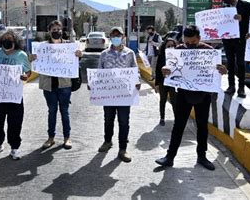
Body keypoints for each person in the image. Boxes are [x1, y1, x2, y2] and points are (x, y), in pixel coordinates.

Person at [155, 25, 227, 170]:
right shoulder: (179, 51)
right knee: (178, 126)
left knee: (202, 126)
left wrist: (223, 70)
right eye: (187, 42)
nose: (190, 45)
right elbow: (168, 70)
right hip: (183, 94)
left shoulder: (209, 52)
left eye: (193, 42)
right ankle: (170, 157)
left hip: (203, 95)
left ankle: (202, 156)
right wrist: (165, 70)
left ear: (199, 39)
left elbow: (220, 71)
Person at [31, 20, 82, 150]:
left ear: (62, 31)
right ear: (49, 31)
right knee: (51, 112)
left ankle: (67, 138)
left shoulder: (69, 46)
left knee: (64, 111)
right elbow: (33, 61)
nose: (56, 32)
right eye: (53, 29)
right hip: (49, 85)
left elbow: (75, 61)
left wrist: (79, 55)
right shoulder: (42, 47)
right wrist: (31, 58)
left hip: (64, 85)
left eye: (58, 29)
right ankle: (51, 138)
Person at [96, 27, 141, 163]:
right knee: (108, 119)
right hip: (108, 94)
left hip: (124, 94)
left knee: (124, 121)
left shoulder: (130, 53)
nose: (116, 37)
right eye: (113, 35)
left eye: (118, 35)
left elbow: (135, 70)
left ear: (123, 37)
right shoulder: (104, 54)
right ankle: (107, 141)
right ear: (110, 37)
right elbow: (99, 72)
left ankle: (123, 148)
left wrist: (137, 81)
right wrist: (94, 84)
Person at [0, 30, 31, 160]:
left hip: (14, 95)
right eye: (5, 40)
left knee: (15, 123)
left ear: (15, 42)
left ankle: (14, 147)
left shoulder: (21, 55)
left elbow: (28, 71)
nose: (7, 42)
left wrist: (25, 76)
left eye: (10, 40)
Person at [222, 0, 250, 98]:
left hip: (241, 40)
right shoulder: (223, 7)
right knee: (230, 63)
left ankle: (241, 87)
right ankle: (231, 85)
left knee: (241, 63)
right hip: (228, 40)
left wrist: (243, 19)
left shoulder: (245, 5)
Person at [154, 38, 178, 126]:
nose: (171, 47)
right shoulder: (161, 56)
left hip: (173, 82)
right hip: (163, 82)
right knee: (163, 100)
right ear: (165, 47)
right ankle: (162, 118)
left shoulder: (177, 57)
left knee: (174, 101)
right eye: (168, 46)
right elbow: (157, 70)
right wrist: (156, 84)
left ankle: (177, 119)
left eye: (172, 46)